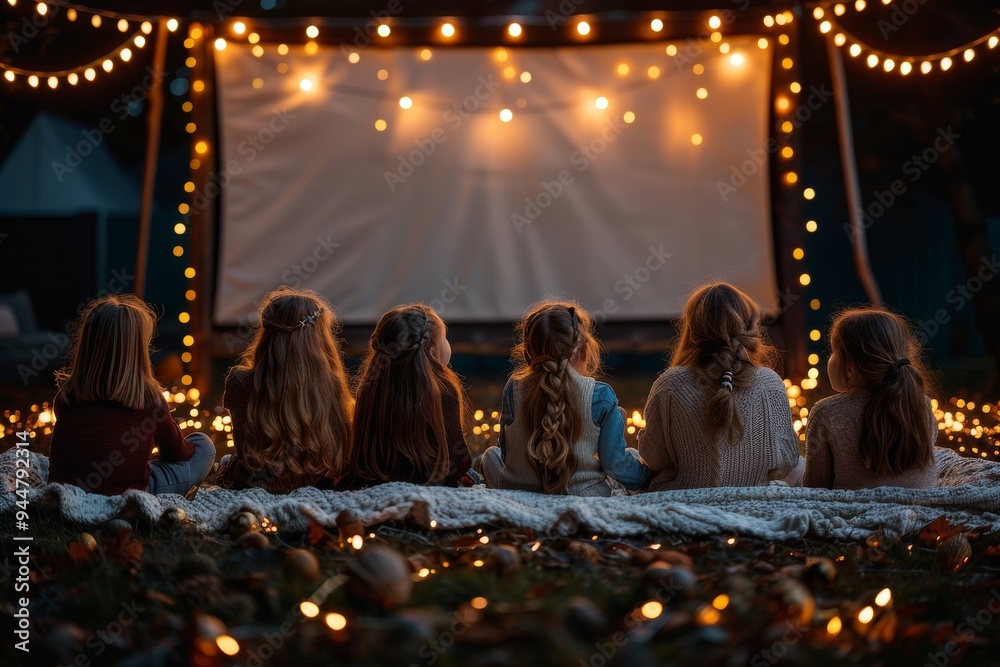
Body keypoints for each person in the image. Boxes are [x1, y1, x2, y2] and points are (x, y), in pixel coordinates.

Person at [638, 282, 802, 490]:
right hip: (751, 499)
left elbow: (652, 457)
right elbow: (786, 461)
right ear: (749, 329)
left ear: (692, 331)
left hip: (683, 499)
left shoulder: (671, 383)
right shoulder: (770, 383)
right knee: (801, 465)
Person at [48, 294, 215, 496]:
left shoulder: (66, 397)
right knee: (204, 445)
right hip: (128, 495)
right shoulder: (149, 399)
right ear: (138, 351)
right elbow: (177, 453)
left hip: (68, 491)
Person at [480, 301, 649, 496]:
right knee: (631, 457)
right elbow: (615, 465)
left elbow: (506, 452)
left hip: (518, 489)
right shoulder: (600, 395)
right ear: (585, 351)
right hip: (584, 494)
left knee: (490, 455)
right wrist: (649, 477)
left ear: (527, 354)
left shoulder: (513, 388)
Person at [218, 288, 352, 492]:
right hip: (316, 483)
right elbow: (338, 451)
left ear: (266, 333)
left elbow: (242, 449)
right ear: (318, 338)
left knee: (225, 459)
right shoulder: (331, 383)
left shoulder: (240, 380)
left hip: (256, 483)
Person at [804, 307, 938, 489]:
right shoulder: (922, 404)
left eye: (832, 351)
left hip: (850, 513)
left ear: (850, 366)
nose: (829, 358)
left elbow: (815, 488)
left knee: (796, 466)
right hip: (922, 510)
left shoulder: (827, 413)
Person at [344, 304, 471, 487]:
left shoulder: (370, 387)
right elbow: (460, 463)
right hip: (432, 482)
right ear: (434, 352)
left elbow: (360, 458)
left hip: (375, 480)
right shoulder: (443, 390)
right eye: (445, 338)